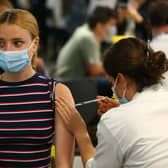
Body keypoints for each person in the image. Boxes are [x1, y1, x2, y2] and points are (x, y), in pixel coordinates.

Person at [56, 37, 168, 168]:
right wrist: (122, 109)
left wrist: (81, 132)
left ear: (120, 78)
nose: (113, 89)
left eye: (111, 82)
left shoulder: (115, 120)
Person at [0, 9, 75, 167]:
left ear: (34, 44)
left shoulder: (56, 92)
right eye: (1, 43)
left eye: (17, 43)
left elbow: (64, 164)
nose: (8, 50)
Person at [55, 6, 117, 80]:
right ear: (99, 26)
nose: (111, 30)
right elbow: (95, 71)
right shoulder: (88, 38)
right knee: (113, 82)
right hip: (69, 82)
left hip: (63, 77)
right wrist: (117, 67)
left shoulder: (84, 29)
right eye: (110, 25)